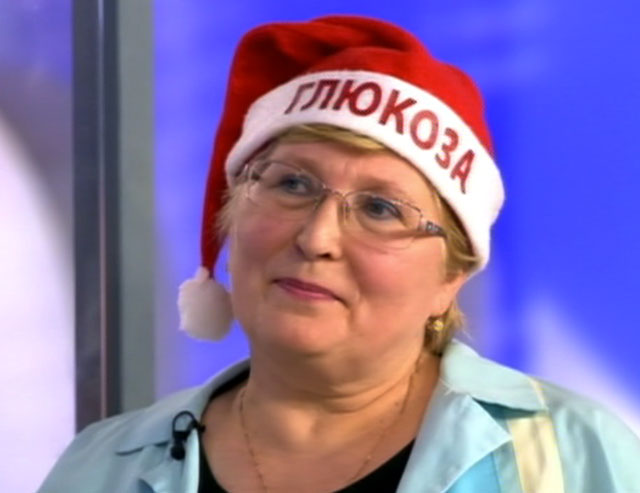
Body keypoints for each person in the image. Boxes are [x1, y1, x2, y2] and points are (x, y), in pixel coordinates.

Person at [39, 15, 640, 493]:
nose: (317, 237)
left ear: (451, 278)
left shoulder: (574, 457)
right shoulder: (102, 468)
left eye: (381, 209)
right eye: (292, 184)